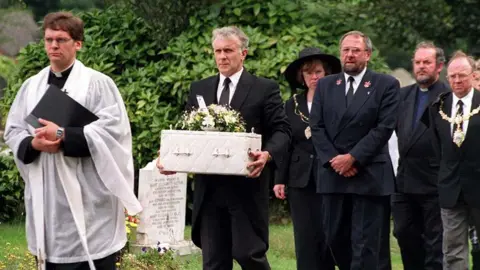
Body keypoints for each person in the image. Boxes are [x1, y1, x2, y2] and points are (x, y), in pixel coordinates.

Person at [3, 11, 142, 270]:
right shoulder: (31, 87)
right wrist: (33, 144)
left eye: (61, 39)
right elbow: (13, 131)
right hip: (48, 199)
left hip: (90, 198)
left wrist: (63, 135)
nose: (53, 45)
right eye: (48, 39)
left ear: (78, 43)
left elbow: (114, 131)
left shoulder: (99, 84)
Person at [157, 26, 291, 270]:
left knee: (249, 255)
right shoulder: (200, 88)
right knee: (213, 262)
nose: (222, 56)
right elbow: (187, 133)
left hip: (247, 188)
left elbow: (282, 130)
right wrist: (169, 157)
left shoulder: (264, 88)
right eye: (217, 51)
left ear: (244, 54)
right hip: (209, 191)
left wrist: (267, 155)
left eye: (228, 50)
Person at [309, 30, 400, 270]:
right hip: (334, 174)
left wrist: (353, 158)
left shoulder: (386, 84)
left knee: (368, 245)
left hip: (369, 175)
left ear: (367, 54)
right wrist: (335, 160)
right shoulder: (327, 85)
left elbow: (384, 127)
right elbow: (316, 127)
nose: (349, 55)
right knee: (334, 239)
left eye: (355, 50)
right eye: (345, 50)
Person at [273, 47, 341, 270]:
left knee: (329, 235)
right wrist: (279, 178)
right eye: (308, 72)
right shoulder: (291, 105)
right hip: (299, 178)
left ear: (327, 73)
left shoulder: (338, 102)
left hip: (330, 175)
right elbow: (286, 143)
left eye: (318, 72)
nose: (314, 77)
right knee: (304, 236)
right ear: (301, 76)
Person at [392, 41, 449, 270]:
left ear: (439, 66)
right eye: (417, 62)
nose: (421, 67)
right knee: (403, 232)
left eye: (427, 62)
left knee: (435, 245)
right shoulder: (402, 95)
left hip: (435, 182)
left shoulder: (448, 97)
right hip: (404, 181)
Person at [425, 51, 480, 270]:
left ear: (473, 74)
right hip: (451, 189)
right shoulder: (438, 107)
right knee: (453, 250)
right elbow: (437, 148)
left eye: (462, 76)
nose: (457, 81)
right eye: (453, 76)